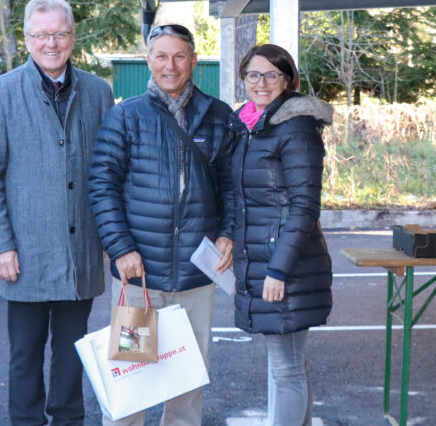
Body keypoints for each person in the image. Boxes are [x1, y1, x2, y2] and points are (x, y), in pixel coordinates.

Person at [0, 0, 114, 426]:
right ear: (28, 39)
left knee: (74, 356)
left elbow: (108, 172)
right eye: (41, 35)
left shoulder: (98, 91)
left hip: (81, 254)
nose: (51, 43)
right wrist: (0, 246)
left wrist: (112, 238)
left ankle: (69, 421)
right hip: (24, 254)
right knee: (25, 357)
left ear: (72, 36)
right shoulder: (0, 93)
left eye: (60, 33)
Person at [88, 24, 236, 426]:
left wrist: (228, 234)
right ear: (149, 60)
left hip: (196, 277)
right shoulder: (125, 116)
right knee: (132, 379)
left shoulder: (219, 117)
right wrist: (120, 247)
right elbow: (101, 185)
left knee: (186, 384)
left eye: (179, 56)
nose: (170, 65)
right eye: (161, 56)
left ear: (193, 61)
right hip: (139, 279)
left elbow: (234, 186)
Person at [228, 43, 334, 426]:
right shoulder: (251, 125)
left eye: (272, 75)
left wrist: (278, 271)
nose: (261, 82)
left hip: (286, 265)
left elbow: (305, 206)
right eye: (253, 74)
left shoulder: (296, 127)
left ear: (287, 81)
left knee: (286, 369)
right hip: (267, 260)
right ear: (244, 78)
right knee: (291, 362)